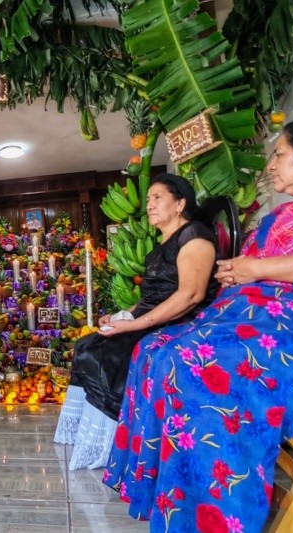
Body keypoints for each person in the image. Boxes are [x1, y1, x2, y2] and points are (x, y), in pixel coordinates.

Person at [103, 114, 293, 532]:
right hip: (262, 322)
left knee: (191, 363)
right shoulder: (280, 216)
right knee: (152, 349)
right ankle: (172, 502)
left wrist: (255, 269)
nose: (270, 166)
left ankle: (216, 518)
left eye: (279, 155)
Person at [54, 173, 218, 471]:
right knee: (86, 345)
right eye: (148, 199)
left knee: (111, 354)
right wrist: (123, 314)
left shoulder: (195, 237)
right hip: (153, 316)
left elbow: (190, 295)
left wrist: (134, 325)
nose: (150, 205)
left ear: (180, 203)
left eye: (158, 198)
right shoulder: (161, 244)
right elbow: (151, 295)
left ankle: (117, 445)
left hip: (183, 321)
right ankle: (92, 438)